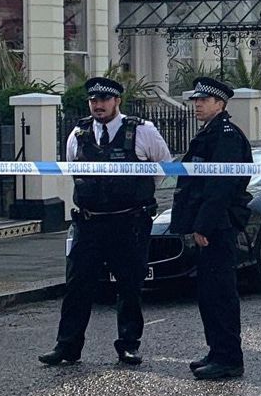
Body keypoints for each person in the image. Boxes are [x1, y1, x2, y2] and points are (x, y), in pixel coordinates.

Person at [39, 77, 173, 367]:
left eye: (104, 100)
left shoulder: (141, 131)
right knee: (77, 286)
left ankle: (128, 345)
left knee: (129, 286)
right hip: (90, 223)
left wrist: (136, 196)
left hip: (129, 223)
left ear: (117, 101)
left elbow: (163, 166)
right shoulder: (79, 132)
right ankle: (67, 347)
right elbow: (74, 169)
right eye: (93, 100)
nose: (98, 105)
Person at [170, 77, 253, 381]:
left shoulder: (226, 136)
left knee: (220, 293)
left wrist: (203, 225)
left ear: (220, 104)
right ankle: (217, 350)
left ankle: (229, 357)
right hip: (208, 224)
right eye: (196, 100)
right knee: (208, 293)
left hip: (218, 226)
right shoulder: (211, 133)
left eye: (204, 100)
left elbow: (220, 186)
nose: (198, 105)